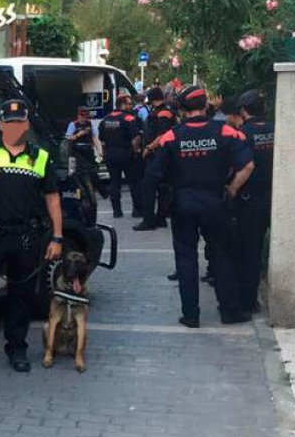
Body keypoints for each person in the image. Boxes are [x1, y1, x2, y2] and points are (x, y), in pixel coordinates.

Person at [0, 99, 64, 373]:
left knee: (21, 296)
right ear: (1, 125)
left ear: (26, 125)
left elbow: (52, 199)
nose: (15, 127)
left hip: (26, 238)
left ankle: (17, 349)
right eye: (10, 122)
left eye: (20, 122)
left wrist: (57, 238)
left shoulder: (40, 157)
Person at [146, 86, 255, 327]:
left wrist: (161, 200)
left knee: (186, 259)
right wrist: (232, 189)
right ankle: (229, 311)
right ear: (206, 105)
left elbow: (154, 174)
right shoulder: (226, 132)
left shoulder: (172, 136)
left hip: (183, 203)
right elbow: (247, 166)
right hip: (215, 202)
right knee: (221, 256)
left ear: (182, 110)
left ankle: (191, 315)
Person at [235, 90, 274, 314]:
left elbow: (240, 167)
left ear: (243, 110)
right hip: (274, 194)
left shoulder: (242, 134)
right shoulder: (275, 129)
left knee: (250, 249)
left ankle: (249, 300)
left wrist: (231, 190)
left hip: (250, 197)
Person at [135, 87, 177, 232]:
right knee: (163, 188)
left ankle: (149, 221)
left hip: (158, 156)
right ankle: (160, 218)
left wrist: (149, 148)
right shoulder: (161, 111)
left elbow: (163, 135)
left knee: (148, 187)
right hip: (163, 156)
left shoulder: (163, 113)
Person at [99, 93, 143, 217]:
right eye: (129, 104)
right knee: (134, 182)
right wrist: (136, 150)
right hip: (125, 153)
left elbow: (101, 139)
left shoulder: (106, 119)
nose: (131, 106)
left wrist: (104, 153)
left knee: (114, 183)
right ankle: (137, 210)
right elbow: (136, 137)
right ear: (122, 104)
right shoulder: (128, 119)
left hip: (110, 154)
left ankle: (116, 211)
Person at [65, 105, 101, 192]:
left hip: (87, 150)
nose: (84, 118)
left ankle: (95, 190)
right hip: (75, 152)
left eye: (86, 115)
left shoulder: (90, 123)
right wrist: (79, 134)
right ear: (78, 115)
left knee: (92, 172)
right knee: (72, 173)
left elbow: (95, 138)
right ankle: (74, 192)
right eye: (82, 115)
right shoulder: (73, 124)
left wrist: (100, 151)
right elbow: (68, 138)